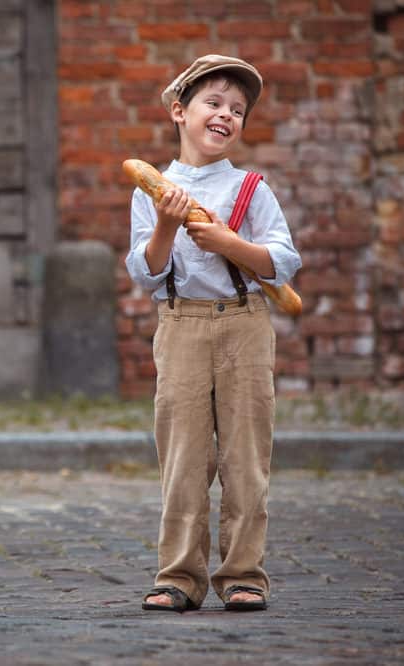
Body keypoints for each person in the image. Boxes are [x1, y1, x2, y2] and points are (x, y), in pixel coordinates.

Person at [125, 55, 302, 612]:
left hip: (245, 324)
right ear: (179, 111)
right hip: (180, 325)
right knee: (184, 456)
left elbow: (282, 262)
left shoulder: (251, 188)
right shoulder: (153, 190)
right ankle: (179, 575)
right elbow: (146, 272)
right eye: (214, 103)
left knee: (246, 455)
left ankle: (244, 573)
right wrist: (167, 224)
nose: (227, 115)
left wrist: (228, 243)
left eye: (238, 110)